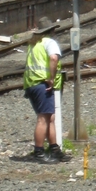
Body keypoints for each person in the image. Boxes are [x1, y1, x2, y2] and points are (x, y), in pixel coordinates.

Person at [23, 18, 68, 163]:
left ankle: (54, 149)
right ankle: (39, 152)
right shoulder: (50, 42)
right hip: (43, 84)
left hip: (31, 84)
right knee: (43, 118)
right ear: (51, 30)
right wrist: (51, 77)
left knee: (50, 118)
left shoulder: (34, 44)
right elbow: (53, 58)